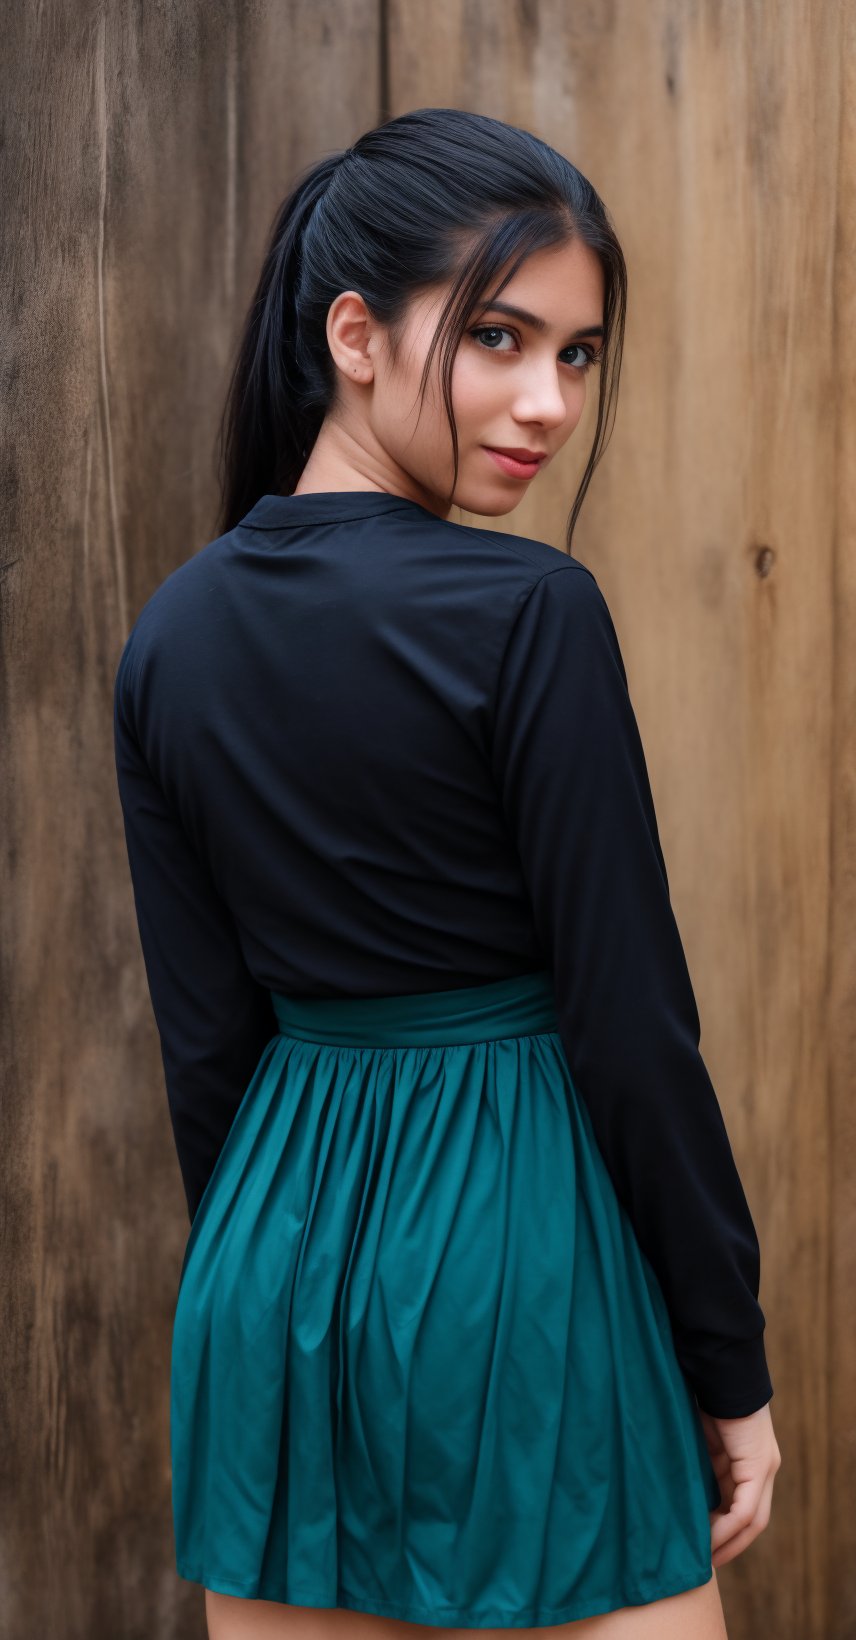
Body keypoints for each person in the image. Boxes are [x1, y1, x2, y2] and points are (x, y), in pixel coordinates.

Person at [113, 107, 781, 1640]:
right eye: (498, 337)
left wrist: (293, 1314)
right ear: (353, 331)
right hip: (518, 1247)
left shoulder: (172, 634)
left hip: (272, 1271)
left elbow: (209, 1049)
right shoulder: (530, 610)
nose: (546, 400)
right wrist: (726, 1364)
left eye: (578, 354)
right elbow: (630, 1026)